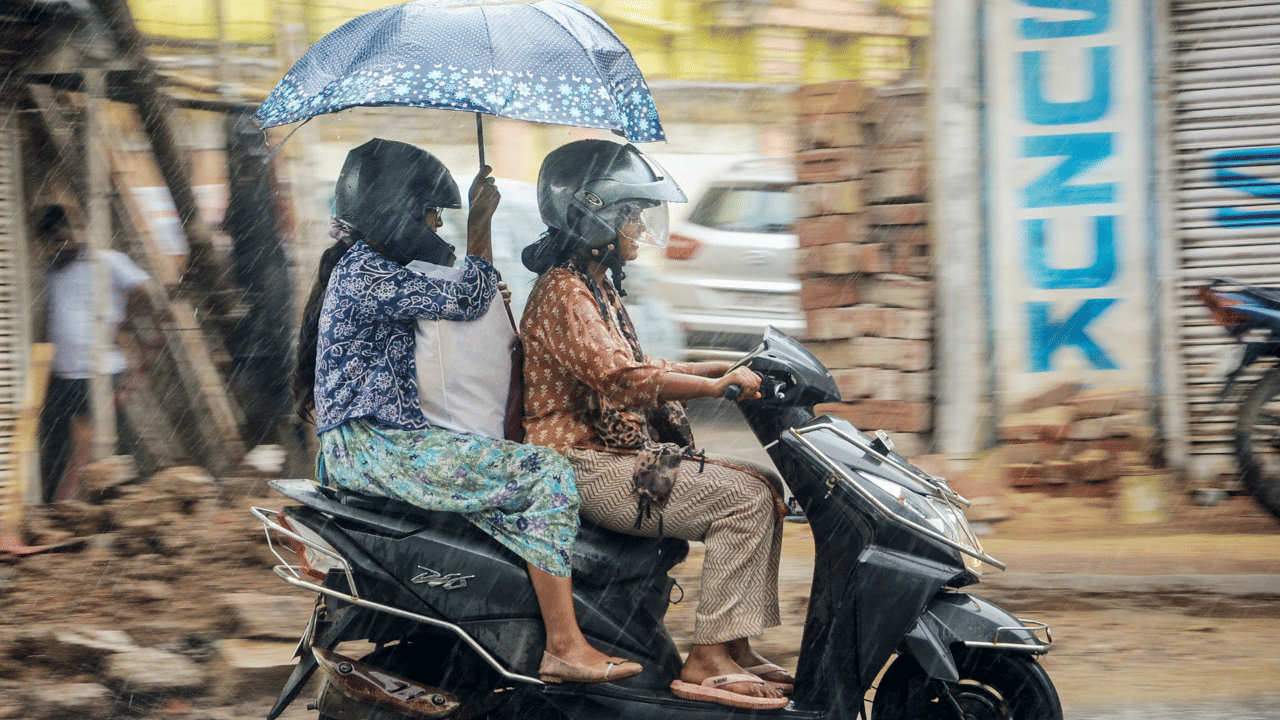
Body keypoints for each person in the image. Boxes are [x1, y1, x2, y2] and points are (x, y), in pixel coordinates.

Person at [292, 138, 639, 684]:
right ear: (397, 210)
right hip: (376, 450)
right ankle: (564, 645)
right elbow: (466, 299)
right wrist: (481, 222)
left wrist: (481, 265)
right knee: (545, 474)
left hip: (381, 443)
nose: (437, 228)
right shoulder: (367, 274)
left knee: (506, 468)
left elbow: (466, 304)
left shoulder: (370, 269)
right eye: (432, 215)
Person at [518, 139, 794, 710]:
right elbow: (620, 379)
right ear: (595, 216)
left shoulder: (594, 286)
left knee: (764, 488)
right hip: (584, 465)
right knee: (740, 500)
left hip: (617, 459)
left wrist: (708, 369)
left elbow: (641, 367)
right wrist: (713, 389)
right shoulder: (563, 291)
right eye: (630, 213)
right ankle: (706, 659)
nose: (640, 225)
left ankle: (732, 644)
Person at [34, 203, 166, 504]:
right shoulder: (50, 272)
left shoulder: (107, 261)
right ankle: (56, 508)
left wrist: (126, 321)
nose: (62, 244)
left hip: (102, 372)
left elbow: (146, 290)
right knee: (54, 445)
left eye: (65, 236)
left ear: (78, 232)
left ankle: (118, 507)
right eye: (53, 240)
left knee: (113, 444)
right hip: (61, 374)